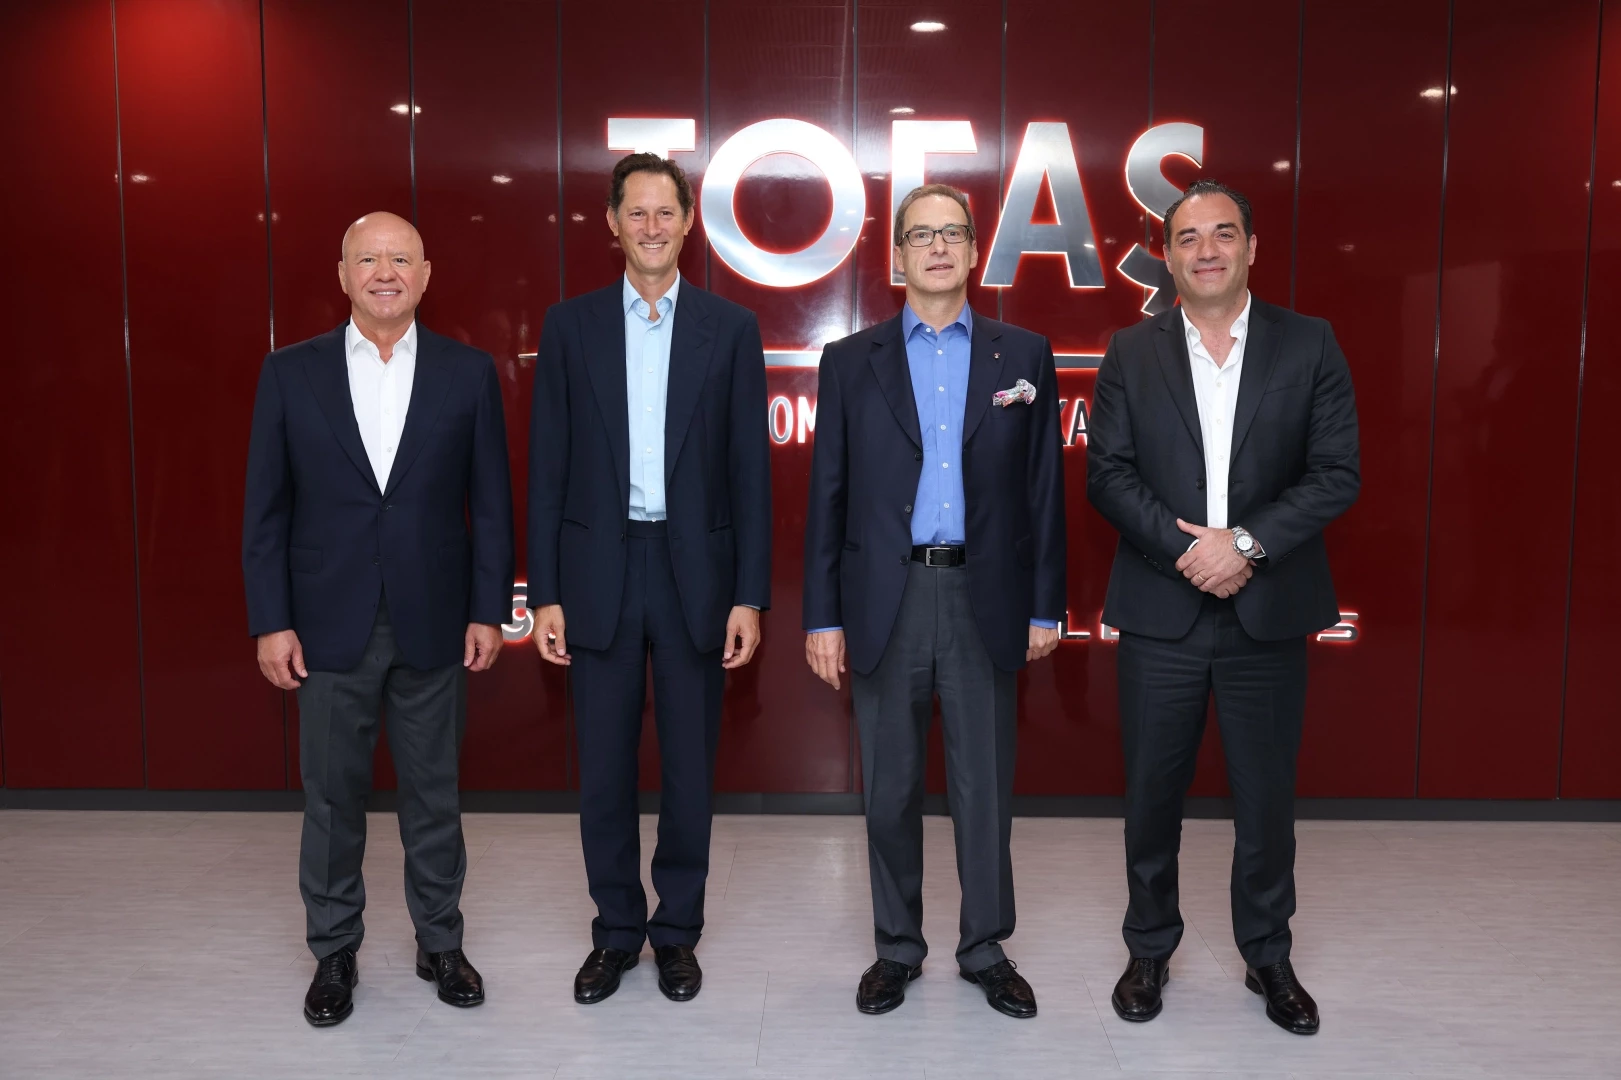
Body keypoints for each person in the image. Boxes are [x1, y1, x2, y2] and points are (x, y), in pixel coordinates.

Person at [1086, 180, 1360, 1035]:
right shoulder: (1130, 352)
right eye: (1187, 237)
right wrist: (1189, 552)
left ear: (1250, 247)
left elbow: (1334, 473)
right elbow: (1108, 474)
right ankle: (1147, 949)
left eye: (1222, 234)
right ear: (1167, 257)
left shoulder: (1309, 343)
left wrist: (1241, 544)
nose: (1205, 250)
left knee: (1265, 799)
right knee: (1150, 796)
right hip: (1160, 609)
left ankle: (1267, 956)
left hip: (1265, 608)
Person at [242, 211, 514, 1027]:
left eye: (401, 258)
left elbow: (491, 507)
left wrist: (488, 610)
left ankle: (441, 943)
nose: (385, 272)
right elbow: (265, 512)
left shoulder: (468, 373)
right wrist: (271, 620)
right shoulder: (290, 373)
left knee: (434, 795)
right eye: (368, 259)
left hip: (435, 618)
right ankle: (334, 952)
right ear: (343, 275)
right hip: (326, 624)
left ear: (426, 275)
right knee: (332, 799)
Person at [803, 184, 1067, 1019]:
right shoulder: (851, 360)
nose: (939, 248)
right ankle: (896, 948)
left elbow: (1043, 492)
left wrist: (1045, 606)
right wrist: (821, 615)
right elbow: (827, 496)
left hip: (985, 594)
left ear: (974, 250)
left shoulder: (1022, 355)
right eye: (921, 235)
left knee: (983, 790)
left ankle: (985, 948)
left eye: (953, 233)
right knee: (888, 789)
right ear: (897, 256)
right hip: (887, 595)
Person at [527, 153, 772, 1005]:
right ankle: (614, 933)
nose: (652, 227)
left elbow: (749, 475)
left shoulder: (729, 328)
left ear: (689, 220)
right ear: (612, 223)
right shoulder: (570, 326)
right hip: (597, 569)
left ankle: (676, 934)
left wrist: (749, 595)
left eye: (666, 212)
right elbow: (546, 468)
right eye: (636, 212)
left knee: (688, 769)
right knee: (602, 769)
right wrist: (544, 592)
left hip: (693, 572)